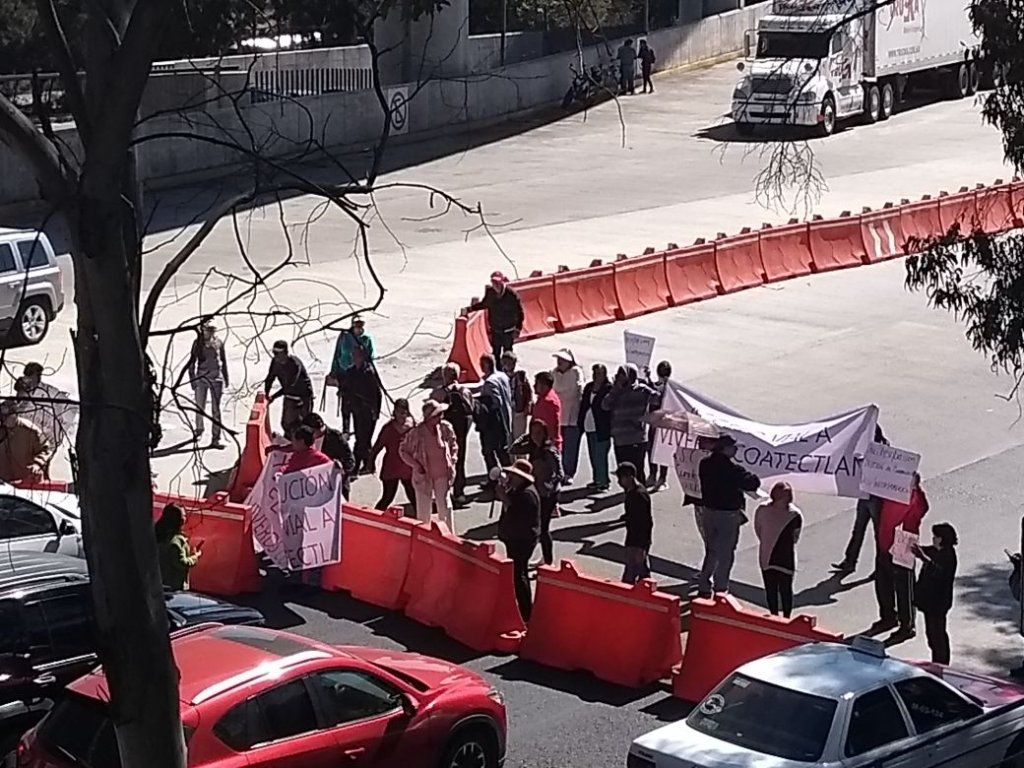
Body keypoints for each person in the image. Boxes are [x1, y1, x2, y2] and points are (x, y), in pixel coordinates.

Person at [697, 434, 761, 597]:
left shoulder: (705, 464)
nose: (735, 450)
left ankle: (704, 582)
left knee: (711, 549)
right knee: (726, 552)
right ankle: (721, 587)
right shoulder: (733, 469)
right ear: (725, 449)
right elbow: (752, 482)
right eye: (733, 447)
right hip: (727, 514)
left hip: (709, 512)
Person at [871, 472, 929, 642]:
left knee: (904, 588)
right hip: (884, 543)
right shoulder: (892, 494)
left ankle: (907, 625)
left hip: (902, 545)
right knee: (883, 583)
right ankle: (888, 617)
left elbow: (920, 510)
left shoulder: (915, 498)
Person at [832, 425, 889, 574]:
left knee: (877, 533)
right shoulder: (866, 448)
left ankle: (880, 567)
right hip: (864, 496)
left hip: (876, 498)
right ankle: (850, 561)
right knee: (858, 530)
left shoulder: (882, 450)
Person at [400, 400, 459, 530]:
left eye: (440, 414)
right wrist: (416, 465)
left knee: (445, 504)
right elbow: (403, 450)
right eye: (437, 415)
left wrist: (453, 459)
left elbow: (453, 444)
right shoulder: (416, 433)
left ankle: (449, 533)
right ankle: (423, 534)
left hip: (443, 474)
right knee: (423, 507)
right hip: (424, 476)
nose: (440, 418)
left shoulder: (445, 427)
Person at [511, 419, 562, 566]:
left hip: (548, 494)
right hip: (537, 492)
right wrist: (525, 437)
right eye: (533, 433)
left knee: (543, 528)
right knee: (538, 526)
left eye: (539, 433)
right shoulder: (533, 448)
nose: (536, 436)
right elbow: (513, 449)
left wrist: (549, 487)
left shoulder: (550, 451)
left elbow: (559, 473)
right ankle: (545, 558)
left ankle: (548, 560)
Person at [496, 459, 541, 621]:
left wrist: (504, 497)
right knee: (516, 573)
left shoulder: (527, 494)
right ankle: (521, 609)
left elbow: (516, 513)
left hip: (522, 539)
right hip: (516, 537)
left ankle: (526, 611)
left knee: (519, 574)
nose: (510, 477)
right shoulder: (518, 490)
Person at [754, 482, 803, 618]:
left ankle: (775, 615)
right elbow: (795, 537)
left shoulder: (762, 510)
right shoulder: (795, 514)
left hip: (767, 555)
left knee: (772, 589)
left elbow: (758, 529)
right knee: (785, 590)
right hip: (785, 557)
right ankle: (785, 617)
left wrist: (767, 541)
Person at [913, 523, 958, 664]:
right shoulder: (936, 551)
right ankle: (936, 660)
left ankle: (941, 663)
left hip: (938, 603)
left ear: (941, 539)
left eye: (935, 536)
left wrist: (923, 558)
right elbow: (926, 551)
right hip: (929, 602)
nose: (933, 539)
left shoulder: (948, 556)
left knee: (937, 634)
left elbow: (938, 572)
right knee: (931, 634)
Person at [603, 364, 655, 484]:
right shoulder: (616, 391)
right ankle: (628, 494)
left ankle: (640, 495)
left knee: (637, 471)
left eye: (622, 375)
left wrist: (649, 382)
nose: (619, 377)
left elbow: (658, 398)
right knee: (623, 472)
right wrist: (615, 390)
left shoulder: (641, 390)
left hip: (636, 438)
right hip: (620, 439)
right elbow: (605, 405)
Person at [431, 363, 475, 507]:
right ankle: (459, 493)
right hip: (461, 433)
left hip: (444, 434)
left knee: (442, 462)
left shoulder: (439, 393)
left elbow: (432, 413)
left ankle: (442, 492)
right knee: (459, 461)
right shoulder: (465, 391)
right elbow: (471, 411)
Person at [13, 362, 75, 450]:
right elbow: (18, 406)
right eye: (32, 375)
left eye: (37, 375)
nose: (36, 378)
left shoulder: (48, 390)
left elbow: (69, 408)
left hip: (46, 432)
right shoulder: (23, 388)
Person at [188, 321, 230, 449]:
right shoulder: (198, 343)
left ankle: (215, 438)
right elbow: (192, 362)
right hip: (201, 378)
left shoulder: (218, 342)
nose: (211, 332)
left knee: (216, 410)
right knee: (199, 406)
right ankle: (199, 430)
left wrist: (226, 377)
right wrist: (192, 379)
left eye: (213, 329)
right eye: (208, 329)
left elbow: (223, 360)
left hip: (217, 379)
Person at [329, 316, 374, 434]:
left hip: (358, 374)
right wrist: (333, 371)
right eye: (356, 324)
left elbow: (370, 357)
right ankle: (346, 428)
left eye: (361, 324)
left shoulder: (366, 339)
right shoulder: (344, 336)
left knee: (356, 400)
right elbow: (337, 353)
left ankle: (357, 426)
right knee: (345, 400)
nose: (359, 327)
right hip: (344, 373)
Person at [369, 399, 416, 512]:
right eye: (399, 412)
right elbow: (377, 447)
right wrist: (371, 463)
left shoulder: (413, 427)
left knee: (414, 496)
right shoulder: (388, 429)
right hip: (391, 466)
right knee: (387, 497)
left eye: (404, 413)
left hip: (407, 467)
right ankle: (375, 518)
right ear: (394, 412)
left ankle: (421, 520)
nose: (402, 416)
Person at [341, 346, 382, 474]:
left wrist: (376, 411)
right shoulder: (350, 372)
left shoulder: (369, 372)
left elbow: (377, 393)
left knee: (362, 439)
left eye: (357, 355)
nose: (354, 357)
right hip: (356, 410)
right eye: (353, 355)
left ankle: (356, 466)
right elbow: (346, 390)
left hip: (368, 411)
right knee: (362, 438)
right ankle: (369, 464)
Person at [469, 271, 525, 361]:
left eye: (498, 282)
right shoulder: (490, 293)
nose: (496, 285)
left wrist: (518, 329)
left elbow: (520, 313)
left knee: (508, 354)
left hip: (508, 330)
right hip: (496, 330)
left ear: (502, 281)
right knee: (495, 354)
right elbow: (484, 304)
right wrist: (471, 308)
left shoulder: (512, 295)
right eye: (494, 283)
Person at [475, 354, 513, 484]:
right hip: (505, 418)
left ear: (487, 365)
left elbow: (496, 401)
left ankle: (494, 479)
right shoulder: (503, 376)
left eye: (482, 365)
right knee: (503, 450)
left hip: (493, 423)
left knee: (489, 452)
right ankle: (510, 477)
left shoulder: (490, 382)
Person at [264, 340, 314, 433]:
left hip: (303, 397)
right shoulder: (275, 362)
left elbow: (290, 385)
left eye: (278, 353)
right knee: (286, 424)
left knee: (304, 426)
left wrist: (273, 397)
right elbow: (270, 378)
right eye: (274, 353)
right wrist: (266, 393)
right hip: (289, 396)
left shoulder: (295, 364)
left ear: (285, 353)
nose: (276, 356)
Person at [303, 413, 355, 498]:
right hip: (313, 486)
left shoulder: (336, 437)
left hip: (335, 486)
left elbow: (350, 460)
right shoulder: (306, 439)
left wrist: (341, 467)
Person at [617, 462, 653, 584]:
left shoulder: (639, 495)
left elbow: (645, 522)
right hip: (633, 536)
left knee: (632, 569)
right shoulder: (631, 492)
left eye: (621, 478)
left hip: (638, 539)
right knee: (639, 567)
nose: (619, 482)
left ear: (630, 477)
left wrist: (642, 545)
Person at [579, 363, 613, 490]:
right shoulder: (589, 387)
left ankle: (604, 481)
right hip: (589, 427)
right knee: (593, 455)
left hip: (601, 428)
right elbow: (583, 405)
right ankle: (596, 479)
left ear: (604, 375)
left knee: (601, 456)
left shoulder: (608, 388)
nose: (596, 376)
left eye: (599, 373)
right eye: (594, 373)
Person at [552, 349, 583, 484]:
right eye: (558, 359)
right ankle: (557, 472)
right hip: (557, 417)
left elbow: (574, 392)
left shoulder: (576, 372)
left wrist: (560, 395)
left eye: (562, 360)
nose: (559, 362)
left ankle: (569, 472)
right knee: (557, 447)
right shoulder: (553, 373)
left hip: (571, 417)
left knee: (571, 447)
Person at [0, 404, 52, 482]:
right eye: (2, 416)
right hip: (3, 482)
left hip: (26, 482)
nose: (4, 420)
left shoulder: (30, 430)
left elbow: (45, 450)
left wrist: (37, 464)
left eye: (7, 416)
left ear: (15, 414)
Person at [155, 503, 201, 590]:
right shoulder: (176, 541)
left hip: (157, 582)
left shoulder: (157, 533)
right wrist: (195, 557)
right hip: (173, 586)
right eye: (183, 515)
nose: (185, 518)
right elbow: (181, 563)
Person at [647, 361, 672, 491]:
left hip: (661, 424)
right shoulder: (661, 387)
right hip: (658, 424)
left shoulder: (670, 389)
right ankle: (655, 475)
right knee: (653, 450)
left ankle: (660, 477)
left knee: (659, 450)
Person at [502, 352, 533, 442]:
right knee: (508, 436)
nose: (507, 365)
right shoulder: (501, 374)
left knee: (519, 437)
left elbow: (528, 391)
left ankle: (520, 455)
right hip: (507, 409)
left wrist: (528, 404)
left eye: (509, 363)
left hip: (519, 410)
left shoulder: (521, 374)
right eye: (505, 362)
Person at [531, 371, 563, 451]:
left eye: (536, 383)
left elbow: (550, 426)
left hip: (546, 446)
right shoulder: (543, 398)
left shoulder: (548, 402)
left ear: (544, 386)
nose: (534, 386)